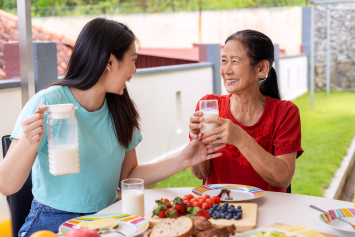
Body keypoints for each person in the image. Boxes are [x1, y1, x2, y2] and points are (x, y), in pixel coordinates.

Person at [0, 18, 224, 236]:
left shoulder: (120, 109)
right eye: (133, 60)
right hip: (53, 220)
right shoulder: (48, 103)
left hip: (108, 218)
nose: (135, 69)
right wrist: (28, 142)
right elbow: (6, 185)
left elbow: (127, 176)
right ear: (109, 62)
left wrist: (184, 159)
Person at [189, 30, 303, 192]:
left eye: (235, 61)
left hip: (268, 210)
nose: (226, 70)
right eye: (223, 60)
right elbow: (201, 173)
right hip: (219, 209)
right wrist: (198, 142)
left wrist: (240, 138)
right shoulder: (208, 105)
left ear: (261, 68)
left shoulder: (284, 112)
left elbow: (283, 179)